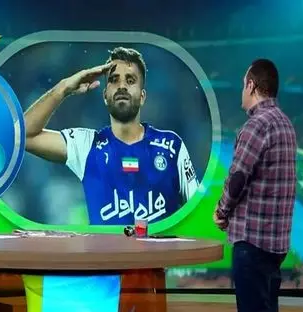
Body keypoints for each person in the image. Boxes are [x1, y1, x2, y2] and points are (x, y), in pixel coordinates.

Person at [24, 47, 199, 225]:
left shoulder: (172, 147)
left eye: (130, 80)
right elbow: (24, 136)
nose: (122, 86)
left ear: (142, 96)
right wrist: (63, 88)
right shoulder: (86, 146)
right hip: (105, 246)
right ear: (105, 96)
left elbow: (198, 212)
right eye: (114, 80)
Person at [214, 59, 297, 312]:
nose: (241, 91)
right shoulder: (286, 125)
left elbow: (237, 178)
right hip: (275, 247)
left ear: (251, 85)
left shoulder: (256, 126)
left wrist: (222, 212)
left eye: (242, 84)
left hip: (252, 245)